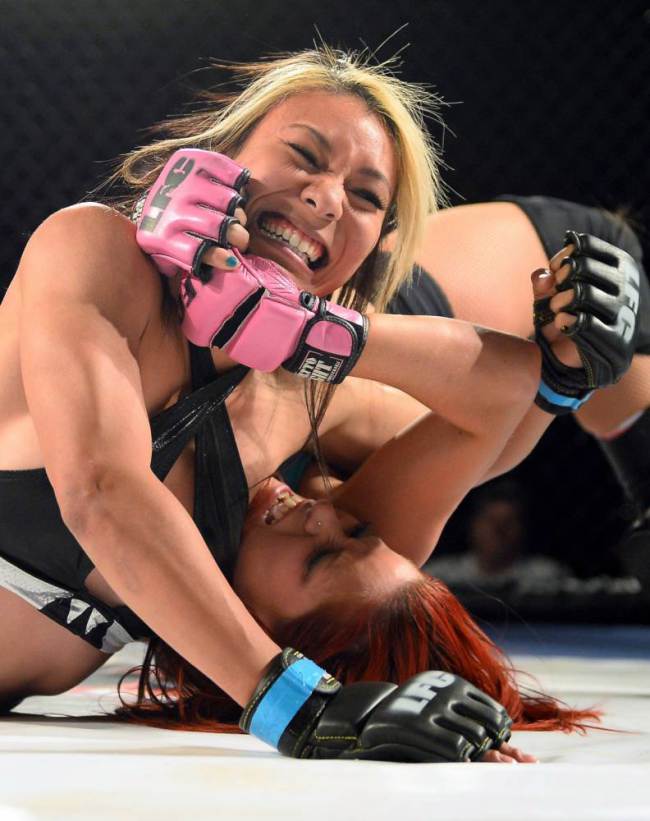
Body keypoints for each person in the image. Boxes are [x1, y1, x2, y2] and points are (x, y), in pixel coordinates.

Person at [0, 46, 630, 761]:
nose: (327, 197)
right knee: (601, 254)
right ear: (219, 155)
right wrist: (299, 707)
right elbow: (101, 490)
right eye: (303, 153)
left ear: (369, 251)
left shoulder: (292, 401)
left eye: (364, 197)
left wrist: (299, 329)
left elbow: (497, 406)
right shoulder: (94, 251)